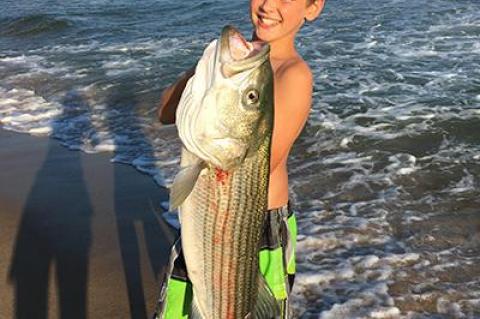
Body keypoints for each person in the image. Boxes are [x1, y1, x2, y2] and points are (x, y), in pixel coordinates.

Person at [154, 0, 325, 317]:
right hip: (208, 221)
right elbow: (164, 112)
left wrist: (230, 87)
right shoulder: (236, 68)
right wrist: (206, 75)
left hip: (254, 232)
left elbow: (259, 161)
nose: (269, 5)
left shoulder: (294, 74)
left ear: (312, 8)